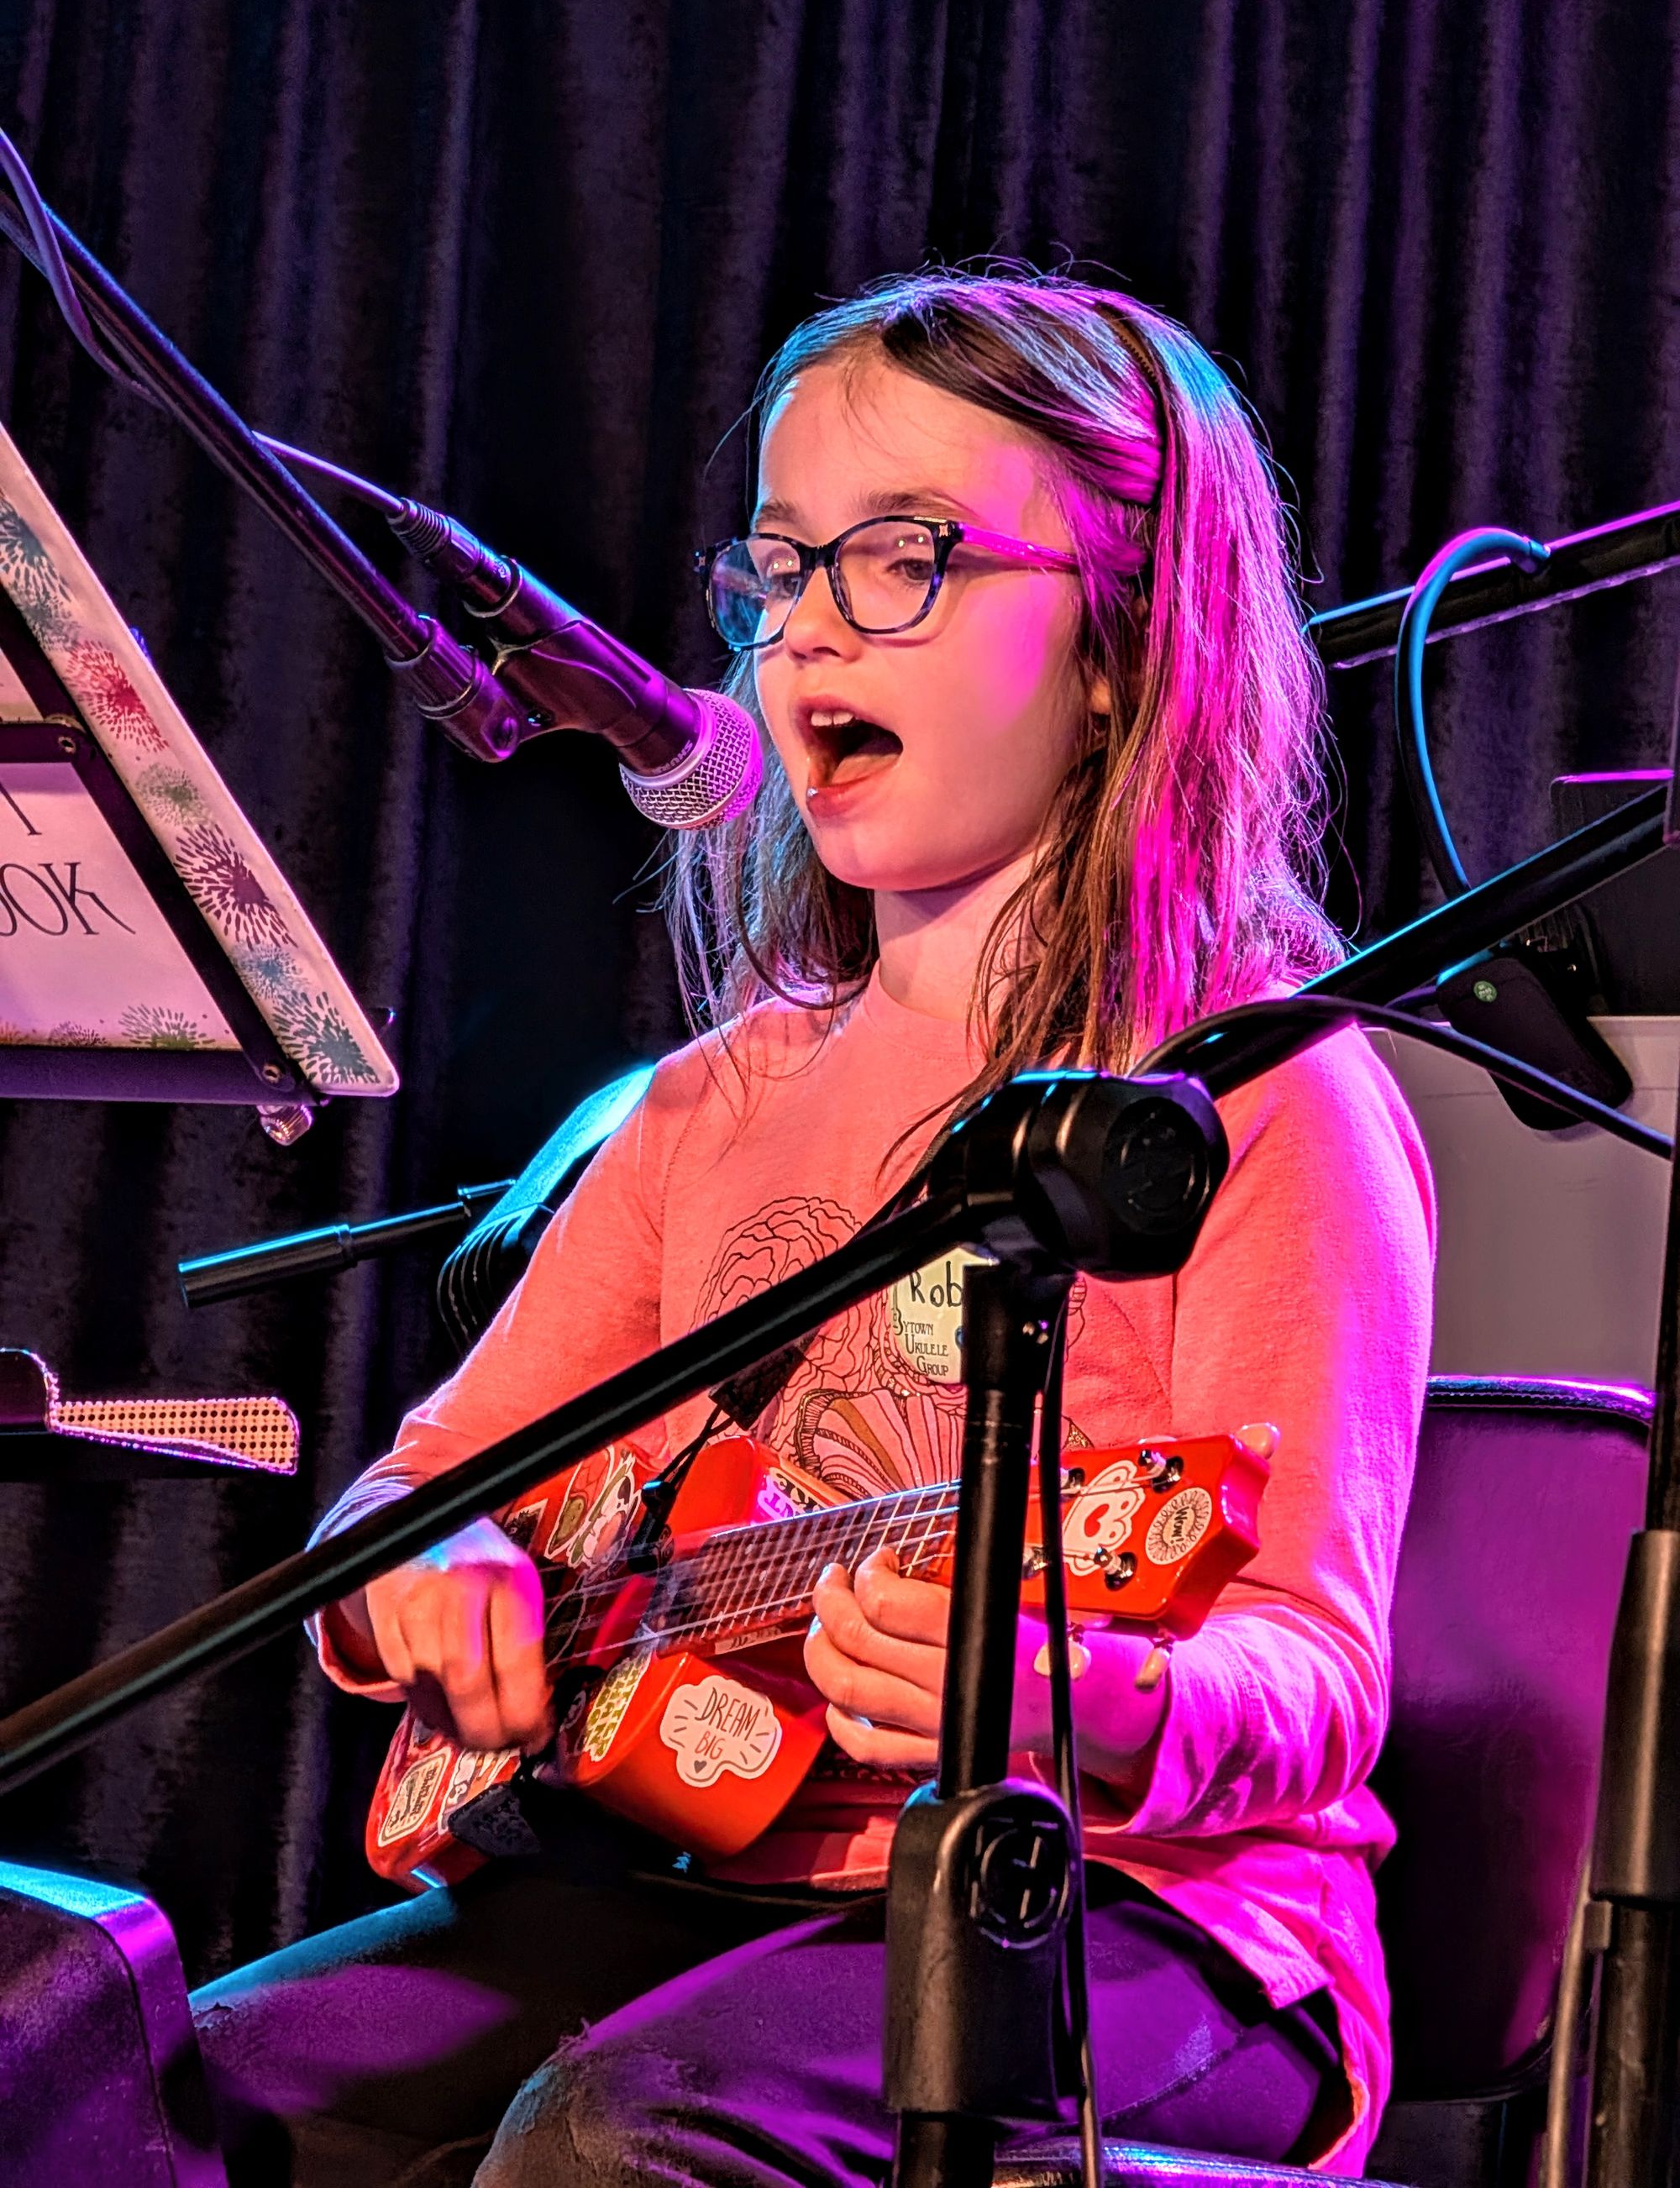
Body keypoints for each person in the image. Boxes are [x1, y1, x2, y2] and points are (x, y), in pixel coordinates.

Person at [192, 270, 1434, 2187]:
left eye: (904, 559)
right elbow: (422, 1484)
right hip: (682, 1852)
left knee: (623, 2135)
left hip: (1132, 1913)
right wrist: (434, 1569)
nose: (808, 628)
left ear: (1122, 643)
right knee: (149, 2079)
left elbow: (1314, 1672)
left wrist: (1087, 1698)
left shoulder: (1259, 1097)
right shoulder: (717, 1099)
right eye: (778, 569)